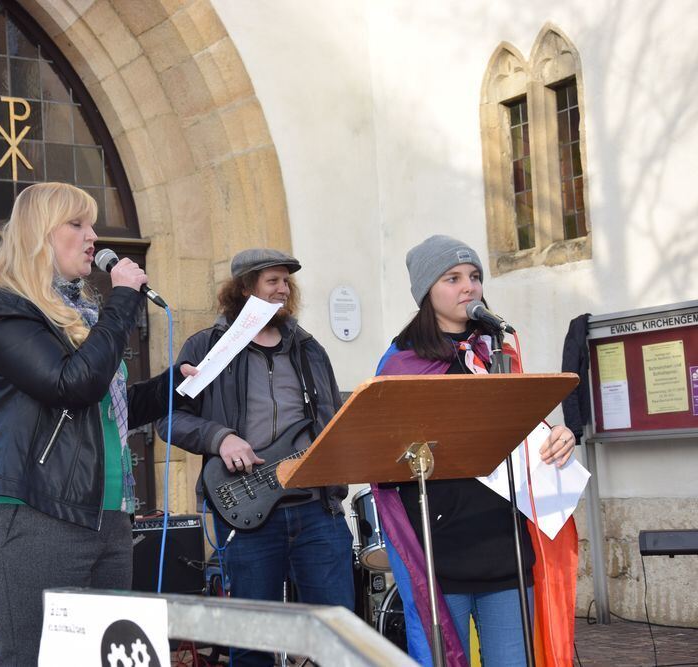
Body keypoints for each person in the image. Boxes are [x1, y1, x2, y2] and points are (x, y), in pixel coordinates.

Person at [0, 182, 194, 666]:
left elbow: (107, 407)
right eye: (77, 224)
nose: (93, 237)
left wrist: (172, 387)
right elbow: (72, 385)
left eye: (92, 225)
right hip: (33, 515)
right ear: (39, 234)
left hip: (107, 517)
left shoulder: (81, 315)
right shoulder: (4, 308)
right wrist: (123, 301)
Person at [372, 235, 579, 666]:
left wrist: (556, 437)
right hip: (440, 549)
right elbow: (385, 459)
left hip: (504, 543)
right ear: (426, 292)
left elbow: (523, 433)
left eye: (475, 276)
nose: (469, 286)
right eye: (453, 278)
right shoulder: (401, 365)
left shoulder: (497, 352)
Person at [160, 248, 354, 667]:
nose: (283, 289)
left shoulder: (308, 349)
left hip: (317, 510)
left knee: (339, 640)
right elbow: (169, 418)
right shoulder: (208, 347)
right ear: (245, 289)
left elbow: (332, 420)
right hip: (246, 513)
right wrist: (220, 438)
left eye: (287, 281)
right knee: (252, 647)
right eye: (273, 281)